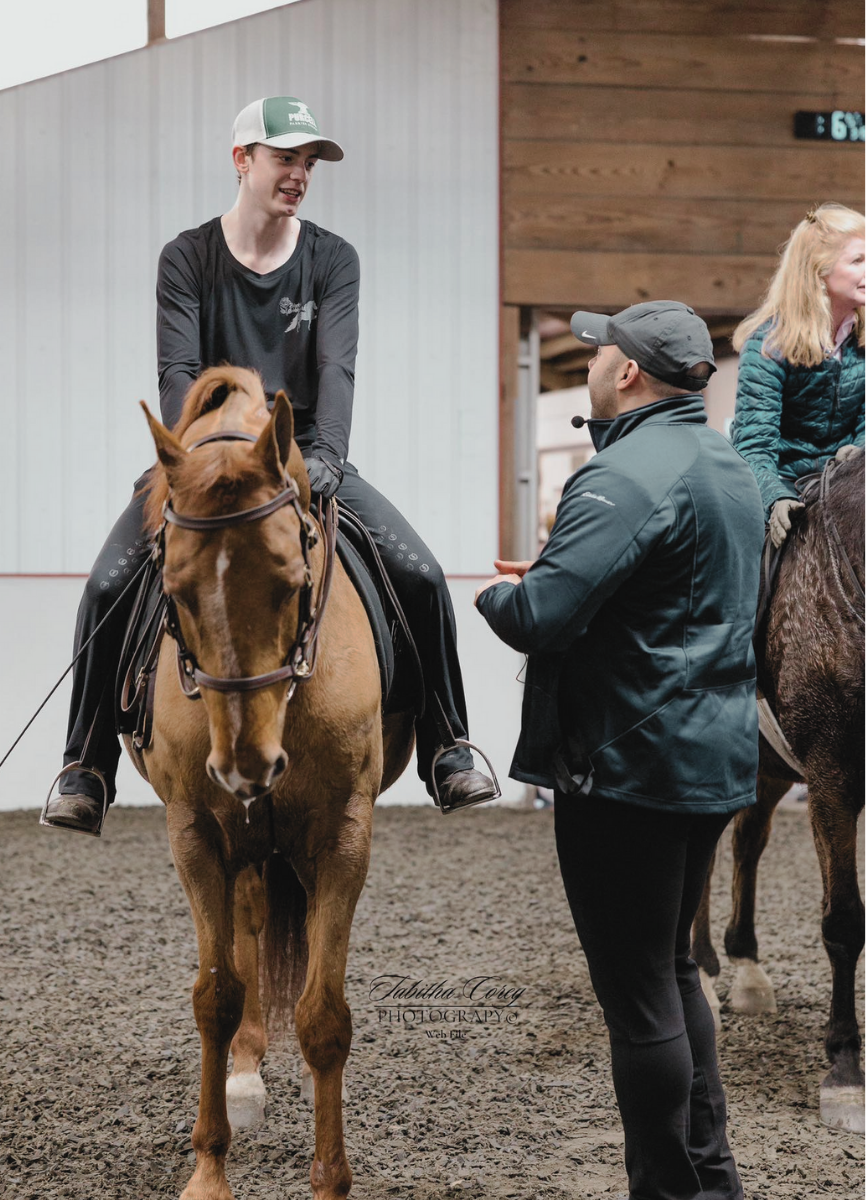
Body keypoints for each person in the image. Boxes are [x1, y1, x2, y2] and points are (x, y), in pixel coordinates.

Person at [44, 95, 496, 833]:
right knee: (106, 585)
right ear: (242, 160)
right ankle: (85, 762)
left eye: (308, 163)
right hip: (202, 464)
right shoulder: (187, 258)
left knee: (422, 575)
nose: (300, 175)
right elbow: (179, 376)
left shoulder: (332, 259)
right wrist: (196, 463)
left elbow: (337, 371)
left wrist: (324, 460)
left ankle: (447, 746)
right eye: (286, 159)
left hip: (303, 461)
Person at [475, 301, 763, 1200]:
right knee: (674, 970)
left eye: (603, 351)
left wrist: (498, 594)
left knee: (639, 999)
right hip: (713, 759)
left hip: (630, 770)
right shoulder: (731, 465)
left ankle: (669, 1191)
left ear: (628, 373)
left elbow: (541, 617)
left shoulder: (623, 477)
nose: (593, 360)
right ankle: (711, 1181)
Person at [731, 202, 865, 548]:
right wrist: (774, 498)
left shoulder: (863, 337)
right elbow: (753, 445)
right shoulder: (768, 343)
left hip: (847, 489)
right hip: (786, 487)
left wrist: (858, 453)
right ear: (819, 270)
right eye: (858, 261)